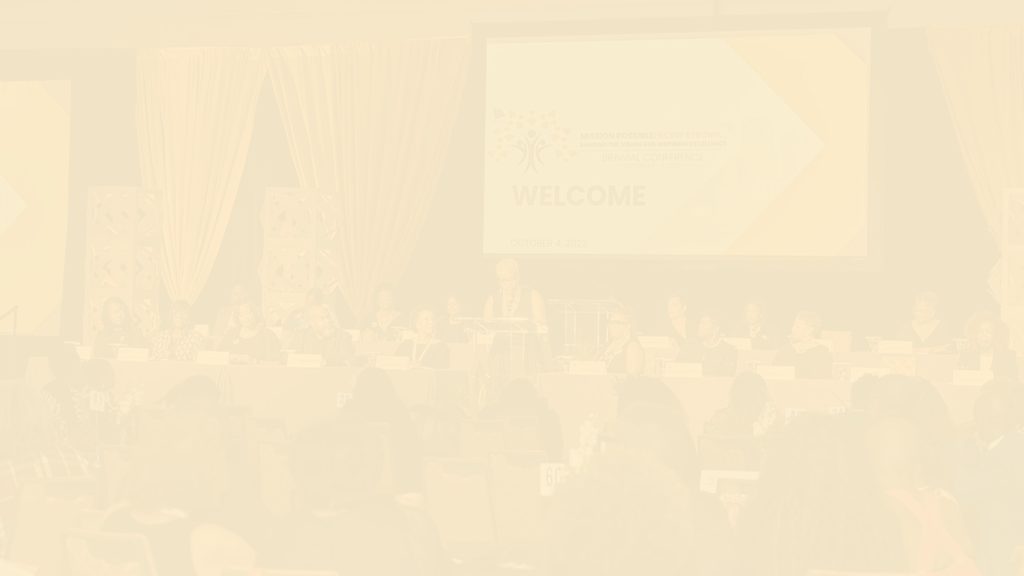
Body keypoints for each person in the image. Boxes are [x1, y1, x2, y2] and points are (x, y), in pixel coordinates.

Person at [483, 258, 549, 377]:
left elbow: (542, 329)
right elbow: (485, 331)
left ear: (518, 278)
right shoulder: (492, 299)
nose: (508, 284)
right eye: (503, 280)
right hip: (500, 357)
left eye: (511, 279)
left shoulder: (533, 296)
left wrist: (545, 361)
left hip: (527, 356)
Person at [958, 311, 1020, 382]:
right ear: (974, 335)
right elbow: (959, 380)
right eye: (980, 331)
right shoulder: (965, 356)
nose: (984, 335)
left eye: (988, 331)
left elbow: (1014, 383)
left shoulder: (1008, 357)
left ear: (995, 335)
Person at [774, 310, 834, 379]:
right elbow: (774, 373)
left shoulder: (822, 353)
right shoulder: (785, 351)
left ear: (809, 330)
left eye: (797, 327)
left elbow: (825, 379)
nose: (792, 329)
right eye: (793, 326)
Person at [686, 312, 738, 377]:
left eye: (704, 323)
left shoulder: (728, 351)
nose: (699, 326)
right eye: (699, 323)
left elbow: (727, 376)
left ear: (716, 328)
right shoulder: (693, 348)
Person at [597, 306, 644, 375]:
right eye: (610, 322)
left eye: (617, 322)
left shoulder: (633, 348)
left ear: (628, 325)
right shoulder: (607, 346)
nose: (611, 326)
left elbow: (632, 378)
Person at [666, 294, 700, 359]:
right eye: (668, 305)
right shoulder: (665, 329)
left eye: (674, 305)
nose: (670, 308)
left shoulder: (695, 325)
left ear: (684, 308)